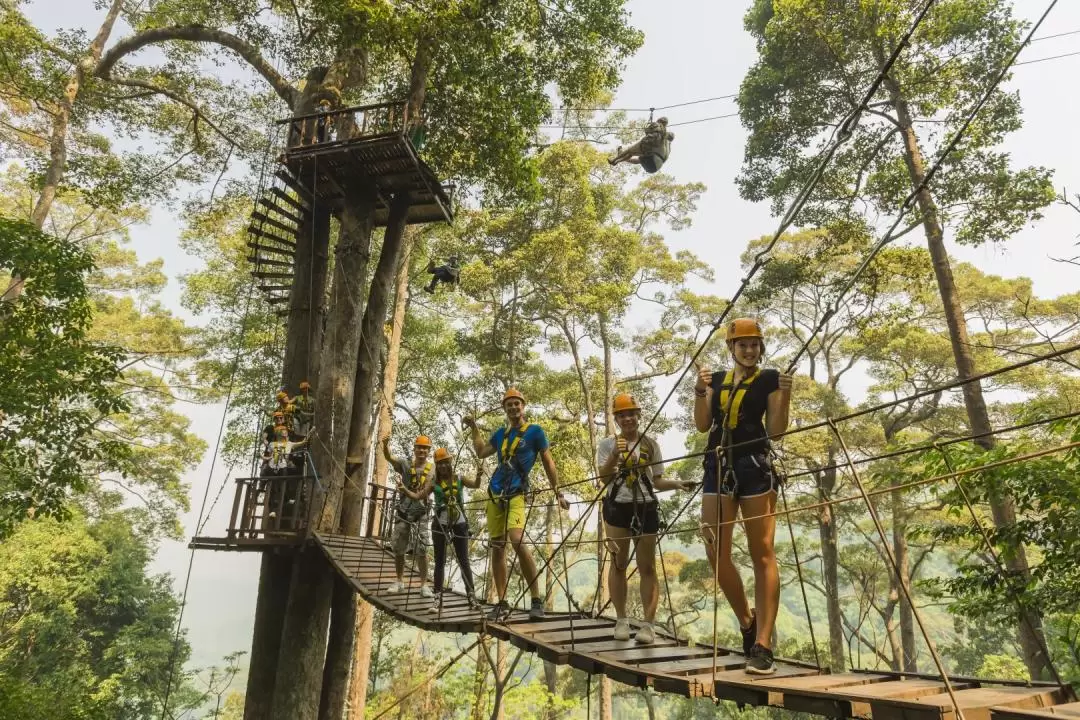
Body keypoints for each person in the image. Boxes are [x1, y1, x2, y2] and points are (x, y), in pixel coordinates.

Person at [693, 318, 792, 675]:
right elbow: (703, 425)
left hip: (754, 466)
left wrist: (785, 393)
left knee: (761, 552)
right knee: (714, 549)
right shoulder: (716, 380)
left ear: (760, 347)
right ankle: (747, 622)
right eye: (742, 345)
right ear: (731, 348)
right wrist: (699, 391)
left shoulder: (769, 379)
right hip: (718, 465)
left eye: (754, 345)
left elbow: (777, 430)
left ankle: (763, 644)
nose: (749, 350)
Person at [464, 388, 569, 621]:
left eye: (517, 404)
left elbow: (548, 461)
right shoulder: (501, 434)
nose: (513, 407)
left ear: (524, 406)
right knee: (498, 546)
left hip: (517, 493)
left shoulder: (535, 432)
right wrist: (474, 428)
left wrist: (558, 492)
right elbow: (482, 451)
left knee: (517, 539)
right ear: (505, 408)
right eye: (509, 404)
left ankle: (536, 600)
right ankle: (501, 602)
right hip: (495, 494)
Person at [598, 393, 695, 645]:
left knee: (647, 566)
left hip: (645, 506)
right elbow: (604, 479)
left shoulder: (650, 444)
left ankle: (648, 626)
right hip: (618, 505)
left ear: (639, 415)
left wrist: (677, 483)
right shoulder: (607, 445)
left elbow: (657, 481)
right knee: (618, 563)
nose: (628, 418)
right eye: (622, 415)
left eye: (632, 413)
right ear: (616, 418)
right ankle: (621, 620)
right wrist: (614, 457)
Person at [420, 447, 482, 613]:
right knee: (440, 561)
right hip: (440, 523)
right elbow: (421, 495)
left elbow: (476, 485)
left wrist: (479, 474)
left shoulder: (459, 478)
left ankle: (472, 597)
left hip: (459, 522)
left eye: (445, 462)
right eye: (439, 463)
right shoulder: (434, 482)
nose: (442, 466)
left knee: (464, 561)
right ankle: (437, 600)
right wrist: (405, 491)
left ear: (450, 462)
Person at [383, 435, 435, 597]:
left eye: (425, 448)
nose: (421, 450)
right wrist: (385, 445)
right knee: (399, 546)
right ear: (414, 449)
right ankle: (399, 581)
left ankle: (424, 585)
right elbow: (389, 457)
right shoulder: (405, 465)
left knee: (421, 548)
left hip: (421, 513)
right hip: (404, 510)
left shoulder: (433, 469)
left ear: (428, 451)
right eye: (419, 447)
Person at [608, 117, 674, 173]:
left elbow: (651, 132)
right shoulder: (668, 146)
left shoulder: (662, 135)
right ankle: (620, 160)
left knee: (630, 151)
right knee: (639, 159)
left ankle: (615, 159)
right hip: (655, 167)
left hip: (652, 159)